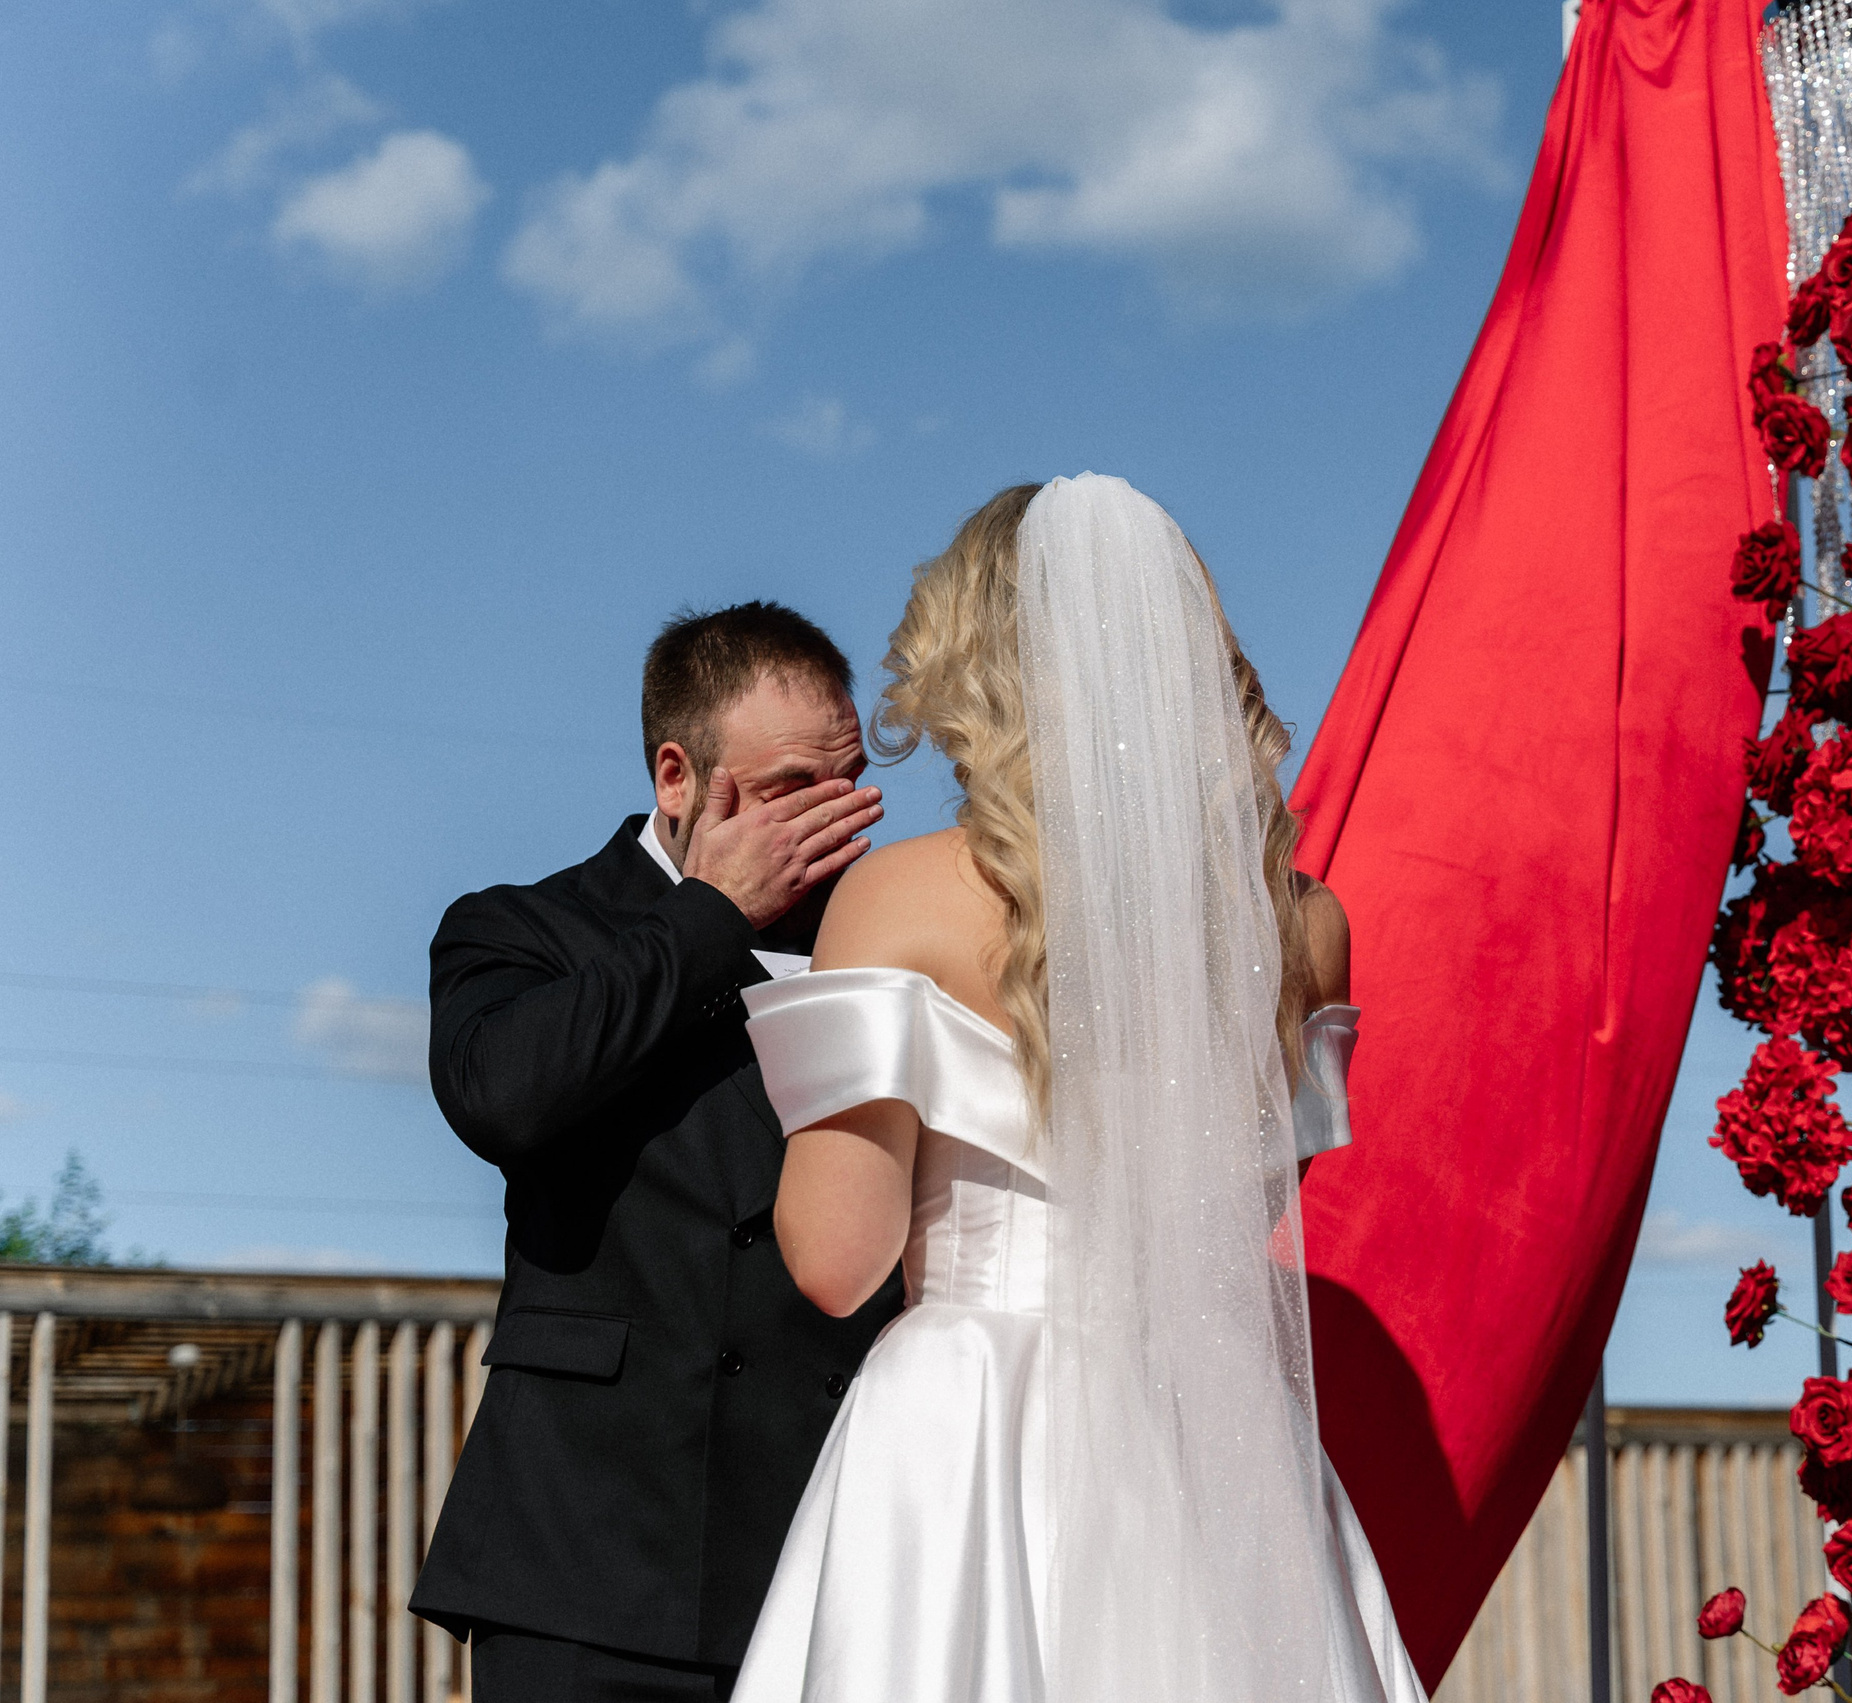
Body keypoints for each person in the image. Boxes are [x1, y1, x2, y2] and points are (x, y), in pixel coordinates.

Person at [729, 475, 1426, 1703]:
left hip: (969, 1432)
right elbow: (1253, 1203)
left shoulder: (898, 896)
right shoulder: (1303, 926)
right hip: (1214, 1435)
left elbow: (835, 1257)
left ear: (976, 664)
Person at [412, 603, 906, 1702]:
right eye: (790, 788)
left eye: (849, 780)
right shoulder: (523, 926)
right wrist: (711, 914)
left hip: (832, 1550)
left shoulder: (879, 935)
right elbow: (502, 1096)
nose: (833, 820)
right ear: (677, 776)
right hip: (587, 1557)